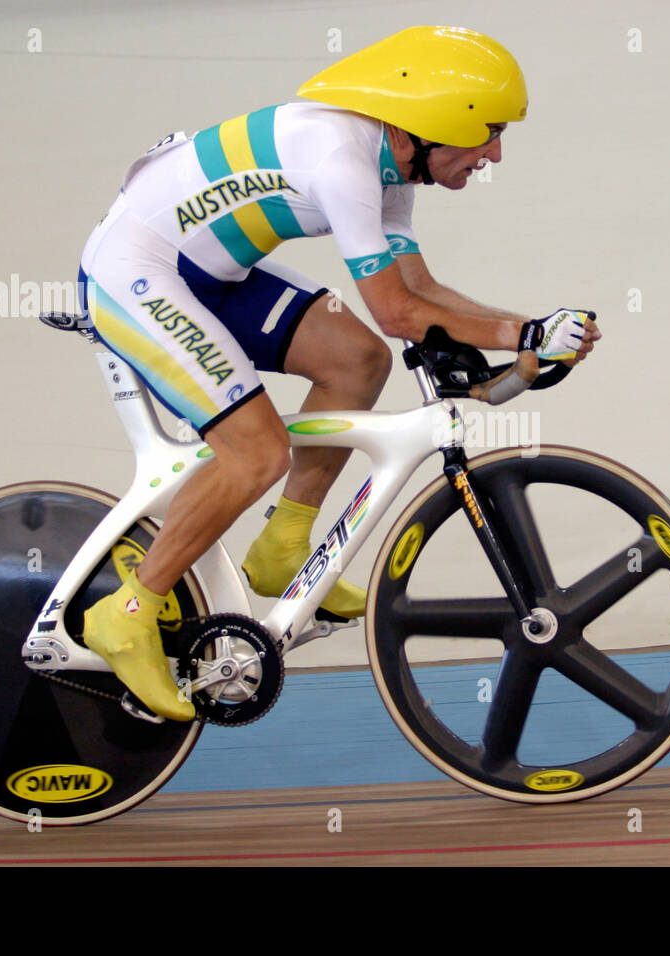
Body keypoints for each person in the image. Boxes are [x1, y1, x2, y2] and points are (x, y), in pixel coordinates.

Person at [75, 25, 601, 721]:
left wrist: (526, 331)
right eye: (490, 132)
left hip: (207, 275)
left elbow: (420, 286)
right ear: (435, 123)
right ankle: (129, 609)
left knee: (357, 361)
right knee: (256, 450)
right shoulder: (344, 162)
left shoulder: (390, 160)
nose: (496, 153)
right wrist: (522, 334)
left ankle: (284, 543)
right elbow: (395, 309)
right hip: (137, 275)